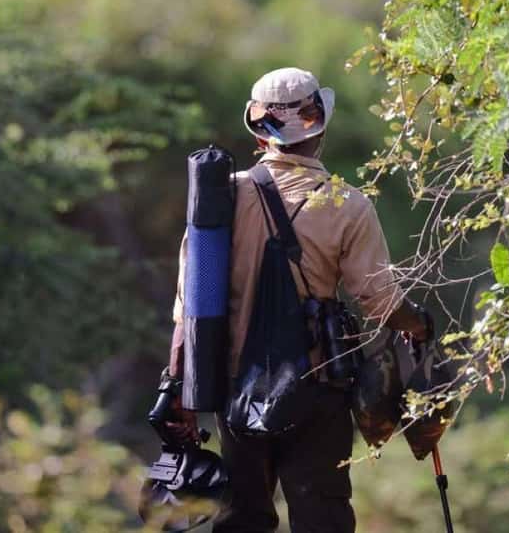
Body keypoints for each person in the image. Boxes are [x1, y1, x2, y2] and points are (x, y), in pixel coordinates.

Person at [165, 67, 430, 532]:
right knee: (322, 520)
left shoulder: (219, 197)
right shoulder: (347, 204)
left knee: (244, 520)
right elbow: (381, 303)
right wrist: (420, 326)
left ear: (260, 130)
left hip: (235, 391)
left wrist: (179, 391)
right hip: (318, 391)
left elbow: (189, 306)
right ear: (320, 124)